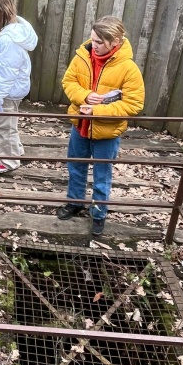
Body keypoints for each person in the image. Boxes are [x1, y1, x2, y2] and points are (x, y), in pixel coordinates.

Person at [58, 16, 145, 236]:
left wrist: (97, 110)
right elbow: (69, 82)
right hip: (80, 126)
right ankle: (75, 202)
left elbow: (134, 104)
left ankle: (98, 213)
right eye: (93, 39)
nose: (93, 45)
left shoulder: (129, 68)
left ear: (115, 41)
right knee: (76, 166)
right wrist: (85, 96)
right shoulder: (82, 56)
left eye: (99, 42)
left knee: (101, 174)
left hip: (106, 133)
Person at [0, 0, 38, 174]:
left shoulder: (9, 40)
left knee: (2, 124)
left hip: (7, 91)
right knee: (9, 121)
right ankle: (14, 149)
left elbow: (7, 73)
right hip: (8, 89)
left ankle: (9, 160)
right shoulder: (5, 31)